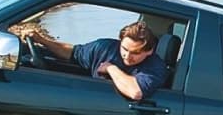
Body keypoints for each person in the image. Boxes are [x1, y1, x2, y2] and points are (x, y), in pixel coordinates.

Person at [22, 21, 168, 100]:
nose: (127, 56)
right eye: (124, 49)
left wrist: (111, 68)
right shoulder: (105, 47)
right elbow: (73, 52)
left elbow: (135, 92)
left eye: (136, 53)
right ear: (120, 41)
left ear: (149, 51)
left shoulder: (155, 67)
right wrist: (41, 40)